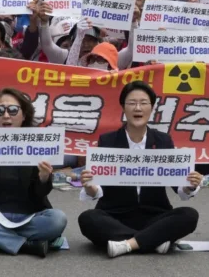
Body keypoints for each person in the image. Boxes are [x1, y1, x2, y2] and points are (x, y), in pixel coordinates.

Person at [78, 81, 201, 258]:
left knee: (189, 215)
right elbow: (100, 186)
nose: (138, 108)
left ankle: (127, 244)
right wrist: (90, 187)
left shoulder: (163, 141)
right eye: (132, 103)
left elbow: (177, 185)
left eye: (143, 103)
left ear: (151, 108)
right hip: (115, 216)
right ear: (123, 107)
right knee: (88, 219)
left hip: (155, 216)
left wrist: (189, 185)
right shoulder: (108, 140)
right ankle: (153, 241)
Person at [0, 88, 68, 257]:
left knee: (58, 219)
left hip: (30, 216)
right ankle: (27, 245)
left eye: (13, 110)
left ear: (24, 115)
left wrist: (44, 177)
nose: (6, 115)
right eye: (0, 111)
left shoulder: (38, 143)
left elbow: (41, 192)